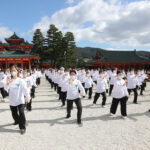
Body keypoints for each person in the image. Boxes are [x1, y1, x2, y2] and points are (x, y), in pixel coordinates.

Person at [4, 66, 30, 135]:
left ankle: (22, 127)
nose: (13, 72)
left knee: (21, 113)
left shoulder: (20, 80)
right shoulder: (10, 80)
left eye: (14, 70)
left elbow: (25, 89)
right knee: (14, 114)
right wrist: (7, 83)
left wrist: (28, 97)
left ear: (17, 71)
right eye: (11, 70)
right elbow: (6, 89)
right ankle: (17, 121)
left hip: (20, 100)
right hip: (12, 100)